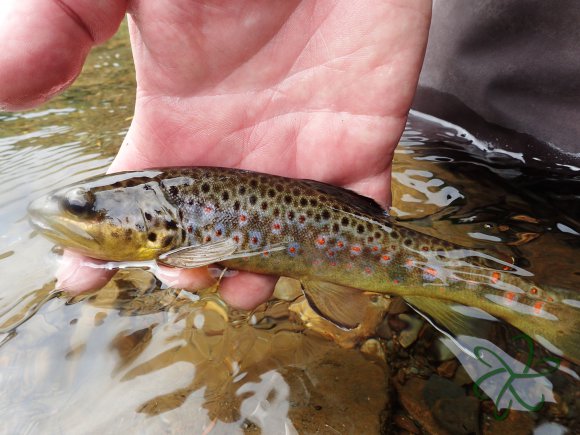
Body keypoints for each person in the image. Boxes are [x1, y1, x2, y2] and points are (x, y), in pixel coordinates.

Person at [0, 0, 432, 309]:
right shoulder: (168, 226)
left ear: (157, 225)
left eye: (82, 207)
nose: (70, 212)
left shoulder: (172, 238)